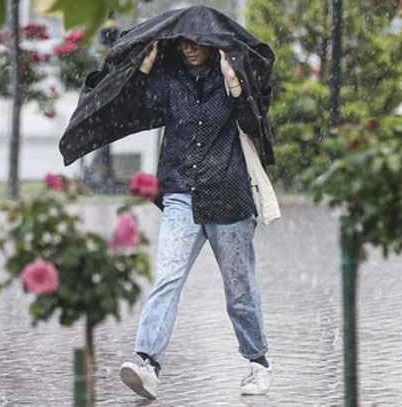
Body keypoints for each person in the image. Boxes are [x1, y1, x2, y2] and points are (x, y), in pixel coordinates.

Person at [117, 38, 274, 400]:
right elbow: (138, 112)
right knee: (167, 277)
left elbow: (254, 124)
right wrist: (145, 66)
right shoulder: (169, 79)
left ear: (211, 44)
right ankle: (147, 362)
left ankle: (258, 362)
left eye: (196, 44)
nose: (189, 50)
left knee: (239, 289)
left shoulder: (230, 75)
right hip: (180, 194)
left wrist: (234, 83)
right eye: (184, 43)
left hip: (229, 196)